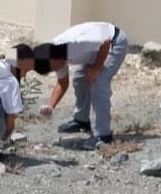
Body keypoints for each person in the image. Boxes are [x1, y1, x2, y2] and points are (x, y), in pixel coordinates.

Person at [34, 21, 129, 150]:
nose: (56, 70)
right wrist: (50, 106)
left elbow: (105, 42)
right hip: (95, 50)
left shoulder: (74, 45)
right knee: (79, 80)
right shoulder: (54, 56)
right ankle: (81, 121)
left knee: (98, 82)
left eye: (54, 67)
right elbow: (62, 83)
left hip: (114, 42)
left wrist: (96, 68)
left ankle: (103, 135)